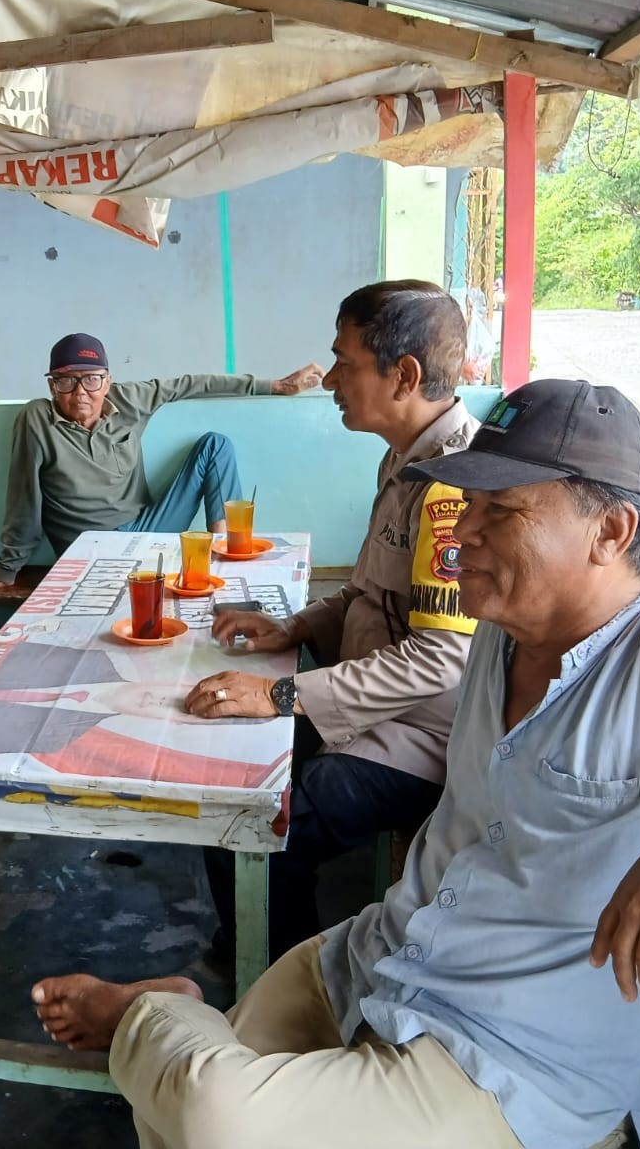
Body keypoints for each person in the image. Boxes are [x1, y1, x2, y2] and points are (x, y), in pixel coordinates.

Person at [31, 378, 640, 1149]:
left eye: (501, 510)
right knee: (179, 1116)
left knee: (213, 1113)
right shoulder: (500, 629)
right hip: (381, 958)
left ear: (612, 532)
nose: (461, 531)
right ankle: (180, 1027)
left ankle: (156, 1016)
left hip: (511, 1067)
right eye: (467, 504)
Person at [190, 280, 481, 959]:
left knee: (265, 818)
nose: (329, 380)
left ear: (403, 375)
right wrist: (295, 628)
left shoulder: (451, 485)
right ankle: (253, 946)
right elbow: (366, 594)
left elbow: (441, 661)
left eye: (344, 363)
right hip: (370, 704)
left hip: (420, 735)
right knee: (223, 768)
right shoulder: (403, 461)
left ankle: (285, 990)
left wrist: (282, 692)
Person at [0, 333, 323, 589]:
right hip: (90, 550)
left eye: (92, 380)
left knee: (216, 445)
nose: (81, 392)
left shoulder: (129, 400)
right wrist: (7, 572)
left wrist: (275, 386)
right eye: (66, 381)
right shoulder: (36, 420)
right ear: (52, 387)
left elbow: (192, 384)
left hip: (147, 530)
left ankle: (227, 552)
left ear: (107, 382)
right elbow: (23, 499)